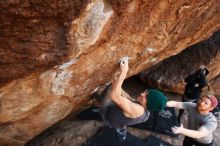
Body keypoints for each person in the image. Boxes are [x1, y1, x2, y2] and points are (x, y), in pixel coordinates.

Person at [97, 57, 167, 141]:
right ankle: (121, 131)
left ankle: (121, 132)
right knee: (122, 123)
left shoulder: (138, 110)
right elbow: (129, 99)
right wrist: (116, 83)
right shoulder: (144, 106)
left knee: (109, 89)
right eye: (146, 92)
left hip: (109, 115)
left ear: (149, 104)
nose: (142, 93)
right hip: (120, 119)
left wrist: (124, 73)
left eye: (146, 96)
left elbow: (115, 97)